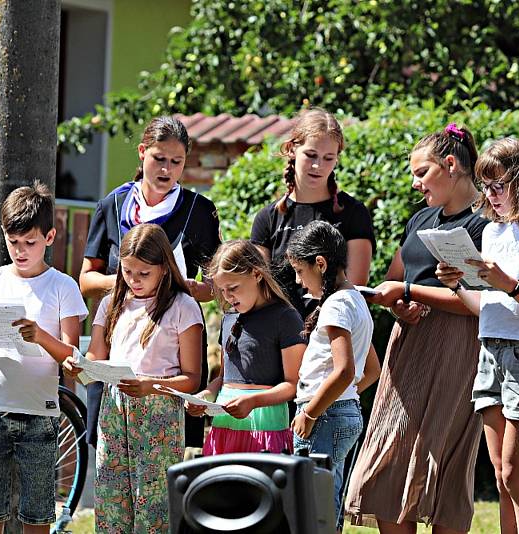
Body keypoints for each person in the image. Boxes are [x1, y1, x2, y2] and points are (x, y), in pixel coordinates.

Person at [345, 124, 489, 534]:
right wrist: (400, 306)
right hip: (408, 344)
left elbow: (480, 304)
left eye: (422, 172)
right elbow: (396, 276)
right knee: (387, 456)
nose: (415, 183)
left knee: (443, 454)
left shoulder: (485, 223)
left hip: (458, 347)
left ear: (451, 165)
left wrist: (412, 292)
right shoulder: (421, 218)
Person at [435, 137, 519, 533]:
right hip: (490, 351)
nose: (492, 196)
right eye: (487, 186)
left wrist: (508, 284)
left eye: (500, 185)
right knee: (499, 476)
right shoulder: (492, 233)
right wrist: (459, 286)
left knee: (515, 473)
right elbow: (488, 310)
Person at [0, 181, 88, 534]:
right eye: (13, 242)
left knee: (37, 518)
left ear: (50, 236)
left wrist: (40, 336)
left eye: (30, 242)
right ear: (3, 235)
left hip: (39, 416)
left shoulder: (63, 286)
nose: (21, 250)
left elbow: (72, 356)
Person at [79, 115, 220, 447]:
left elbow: (216, 285)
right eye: (159, 159)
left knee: (162, 469)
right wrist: (128, 283)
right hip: (121, 343)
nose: (166, 170)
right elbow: (86, 280)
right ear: (143, 153)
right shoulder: (113, 205)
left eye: (176, 162)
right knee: (112, 456)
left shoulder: (199, 210)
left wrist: (191, 288)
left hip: (172, 350)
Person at [65, 223, 202, 533]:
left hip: (159, 415)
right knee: (112, 501)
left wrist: (150, 385)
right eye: (128, 272)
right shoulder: (111, 302)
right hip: (114, 411)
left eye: (144, 274)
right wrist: (79, 366)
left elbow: (192, 379)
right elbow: (97, 359)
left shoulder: (183, 306)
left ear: (165, 268)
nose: (134, 281)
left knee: (152, 507)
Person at [285, 220, 380, 533]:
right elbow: (371, 371)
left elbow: (344, 371)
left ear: (320, 264)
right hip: (342, 411)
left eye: (300, 271)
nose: (300, 282)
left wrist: (312, 412)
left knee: (314, 507)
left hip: (324, 416)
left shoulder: (336, 305)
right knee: (327, 499)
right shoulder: (356, 300)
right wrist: (345, 398)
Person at [250, 106, 375, 318]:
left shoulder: (353, 213)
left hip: (333, 331)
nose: (318, 166)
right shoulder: (268, 218)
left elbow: (354, 290)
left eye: (328, 158)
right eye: (311, 155)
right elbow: (259, 288)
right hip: (282, 338)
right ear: (291, 149)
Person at [185, 240, 306, 454]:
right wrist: (204, 396)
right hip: (224, 427)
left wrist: (253, 401)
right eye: (222, 290)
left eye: (233, 288)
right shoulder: (229, 318)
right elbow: (224, 378)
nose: (228, 296)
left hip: (265, 427)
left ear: (257, 274)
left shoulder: (285, 317)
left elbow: (293, 384)